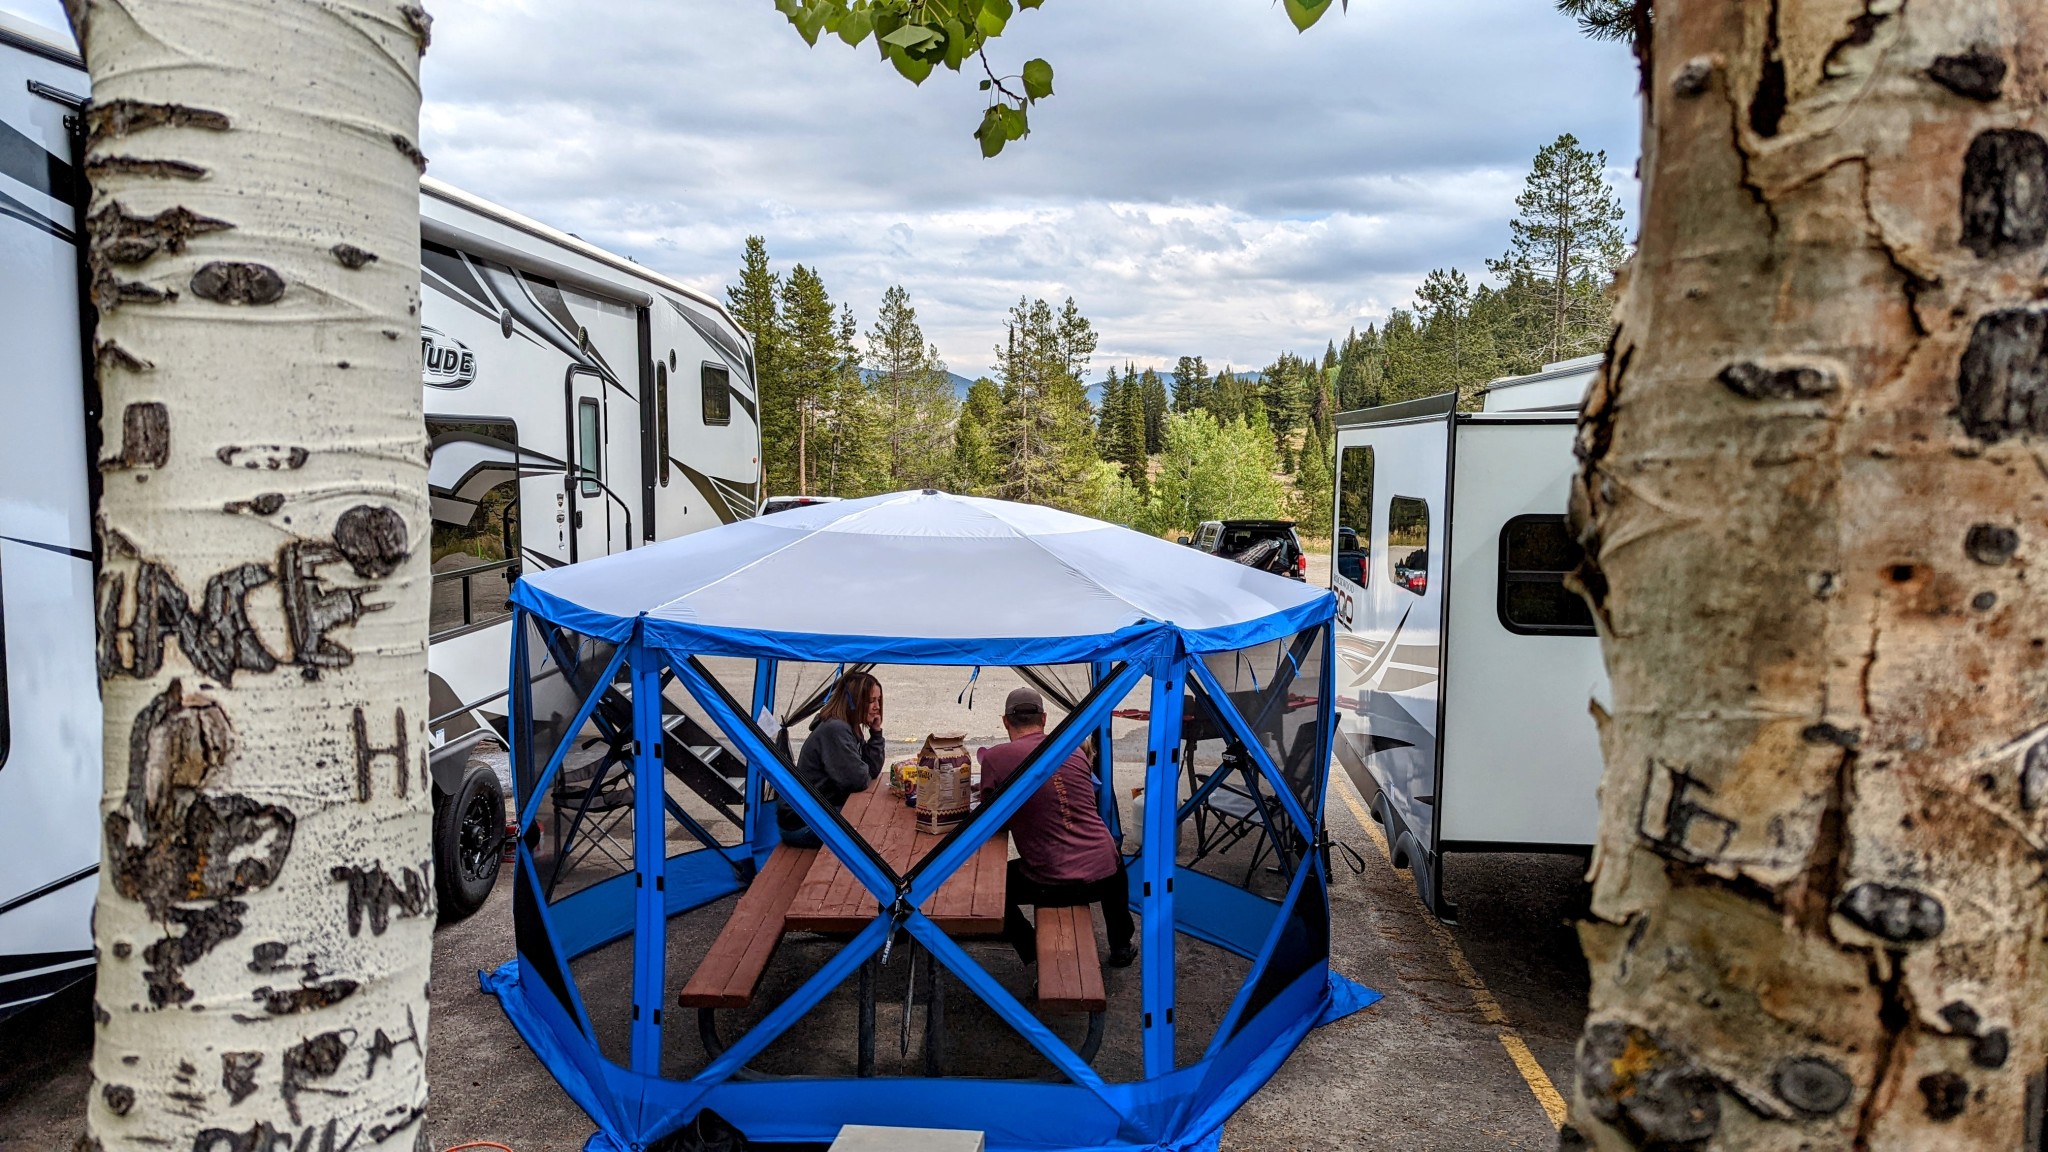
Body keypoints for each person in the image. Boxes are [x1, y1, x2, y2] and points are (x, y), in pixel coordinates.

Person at [976, 686, 1137, 968]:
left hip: (1054, 882)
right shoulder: (1073, 750)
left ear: (1005, 721)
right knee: (1107, 851)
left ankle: (1033, 951)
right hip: (1106, 877)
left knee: (986, 887)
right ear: (1044, 718)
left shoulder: (995, 758)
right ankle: (1121, 944)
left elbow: (989, 821)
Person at [778, 670, 887, 849]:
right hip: (802, 823)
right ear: (854, 701)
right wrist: (863, 770)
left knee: (875, 816)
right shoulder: (835, 729)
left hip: (819, 812)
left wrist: (876, 733)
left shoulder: (849, 726)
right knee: (873, 828)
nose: (877, 707)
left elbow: (871, 771)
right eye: (871, 701)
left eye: (878, 700)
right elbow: (857, 781)